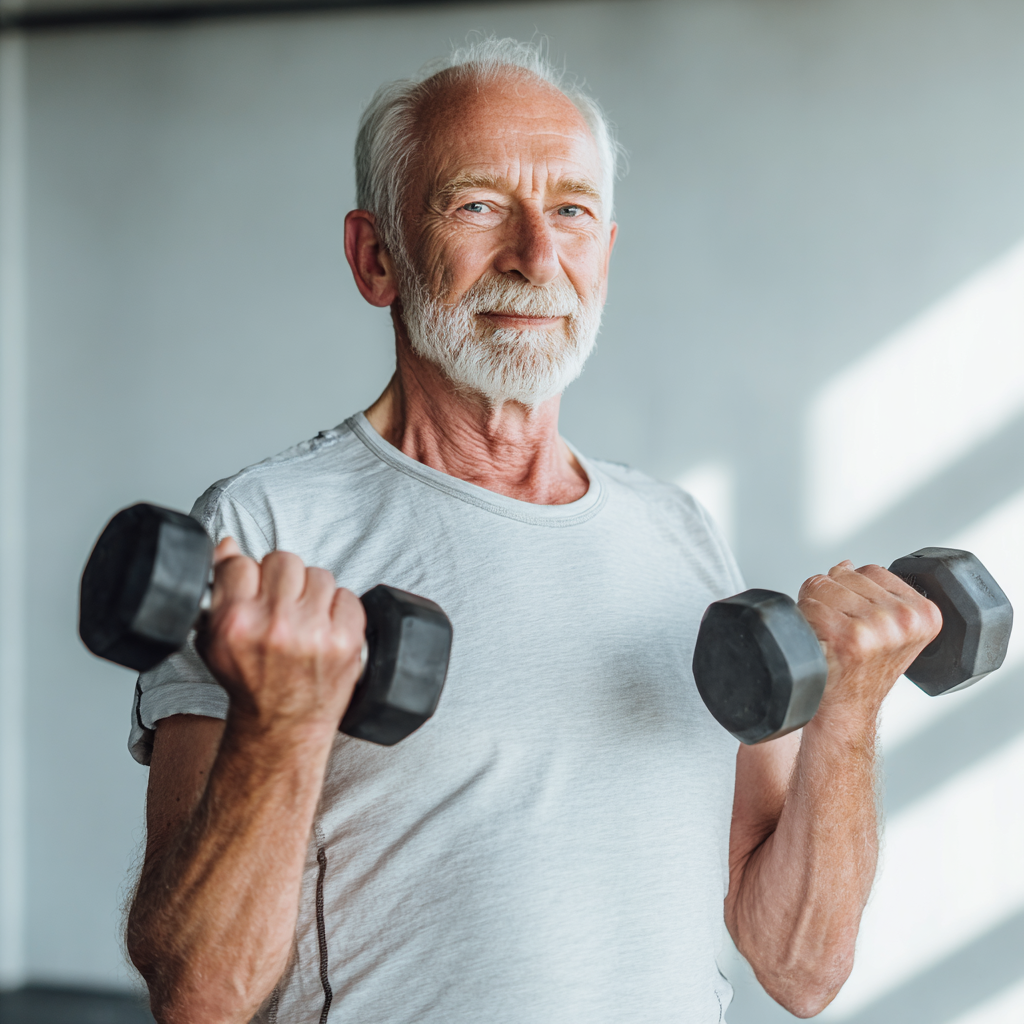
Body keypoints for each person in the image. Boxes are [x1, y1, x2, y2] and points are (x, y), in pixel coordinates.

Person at [124, 38, 941, 1024]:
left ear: (605, 252)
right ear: (375, 257)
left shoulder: (677, 532)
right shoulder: (266, 529)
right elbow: (198, 995)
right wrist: (284, 724)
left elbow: (799, 968)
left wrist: (847, 713)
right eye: (476, 206)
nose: (536, 257)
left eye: (571, 211)